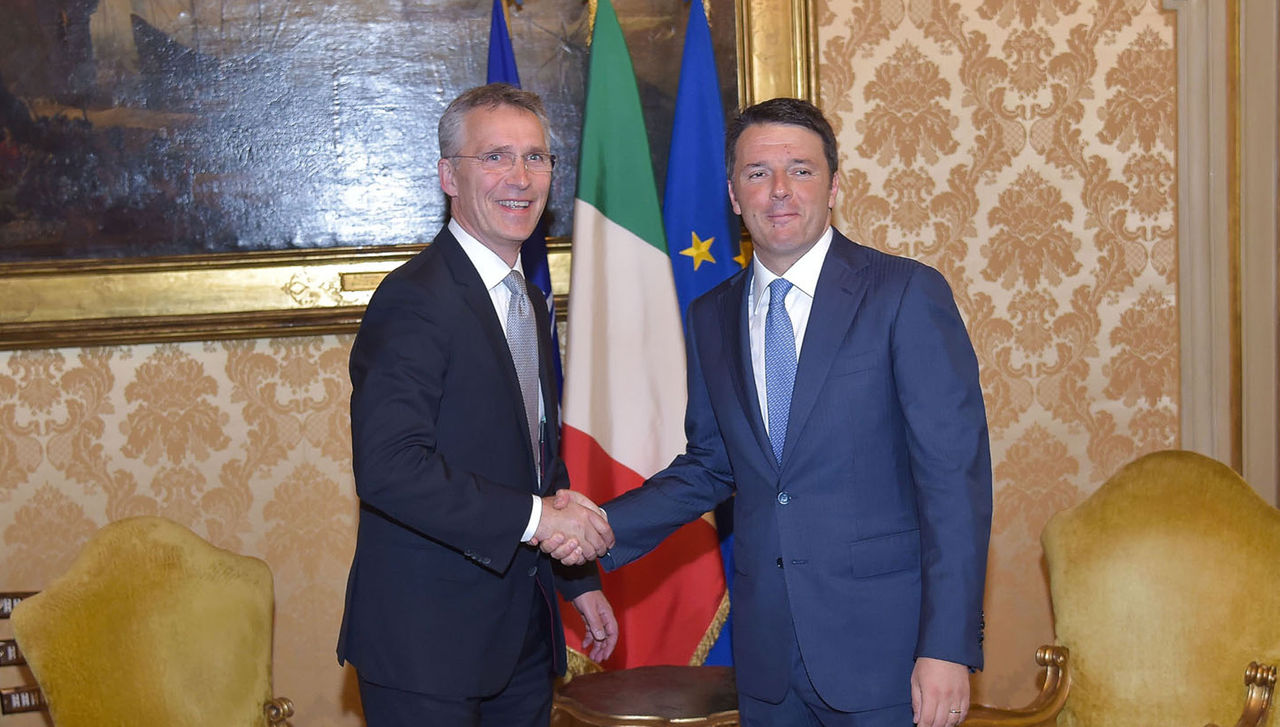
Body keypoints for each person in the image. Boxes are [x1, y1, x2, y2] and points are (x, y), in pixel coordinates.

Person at [547, 97, 991, 727]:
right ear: (734, 194)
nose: (780, 189)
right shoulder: (711, 315)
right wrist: (603, 526)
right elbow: (712, 464)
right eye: (758, 173)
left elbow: (954, 484)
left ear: (834, 187)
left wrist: (946, 648)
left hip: (888, 656)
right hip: (767, 663)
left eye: (801, 170)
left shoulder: (904, 294)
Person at [336, 83, 618, 727]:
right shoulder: (414, 300)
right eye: (495, 157)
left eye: (535, 157)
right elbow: (389, 469)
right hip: (427, 648)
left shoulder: (529, 298)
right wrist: (538, 521)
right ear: (448, 177)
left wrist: (578, 581)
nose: (520, 177)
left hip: (522, 638)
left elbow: (535, 455)